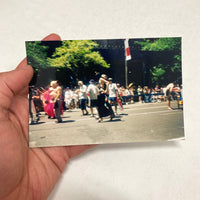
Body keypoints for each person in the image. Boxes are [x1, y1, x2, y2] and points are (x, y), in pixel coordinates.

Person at [0, 33, 95, 200]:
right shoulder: (52, 88)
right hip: (19, 184)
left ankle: (58, 118)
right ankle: (56, 117)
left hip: (56, 101)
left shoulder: (57, 89)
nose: (52, 85)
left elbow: (54, 95)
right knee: (53, 110)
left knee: (56, 110)